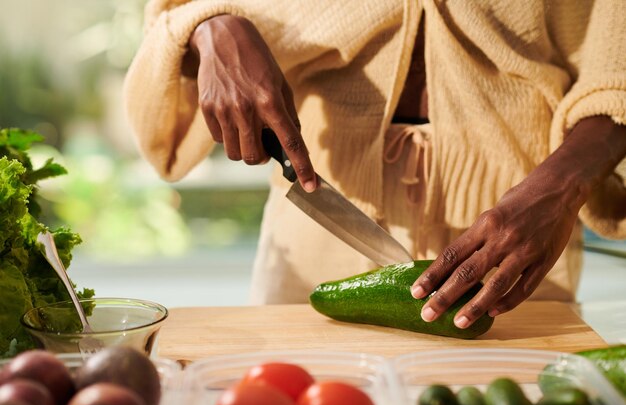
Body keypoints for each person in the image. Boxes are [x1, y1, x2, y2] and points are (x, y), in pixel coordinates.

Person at [124, 0, 626, 329]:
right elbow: (177, 15)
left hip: (517, 236)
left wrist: (560, 189)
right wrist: (212, 29)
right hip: (314, 237)